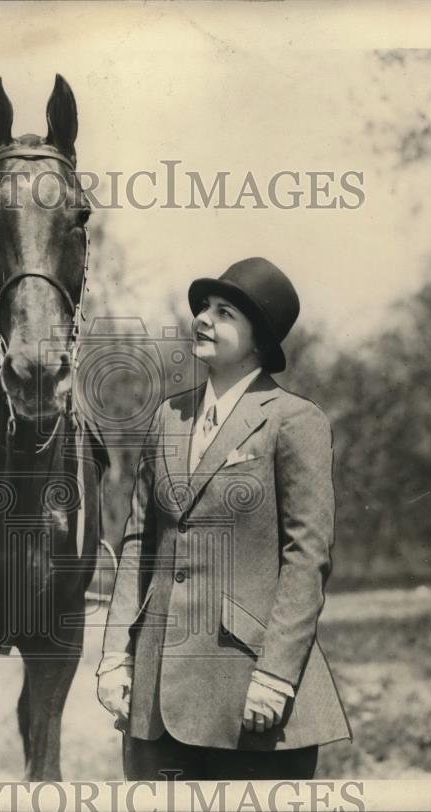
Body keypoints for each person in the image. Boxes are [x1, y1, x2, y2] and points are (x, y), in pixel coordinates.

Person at [96, 257, 351, 780]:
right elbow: (139, 541)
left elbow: (307, 557)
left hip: (250, 695)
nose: (204, 320)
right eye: (204, 308)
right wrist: (115, 656)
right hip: (154, 701)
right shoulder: (168, 417)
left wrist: (276, 676)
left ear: (259, 339)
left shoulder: (294, 421)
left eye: (225, 312)